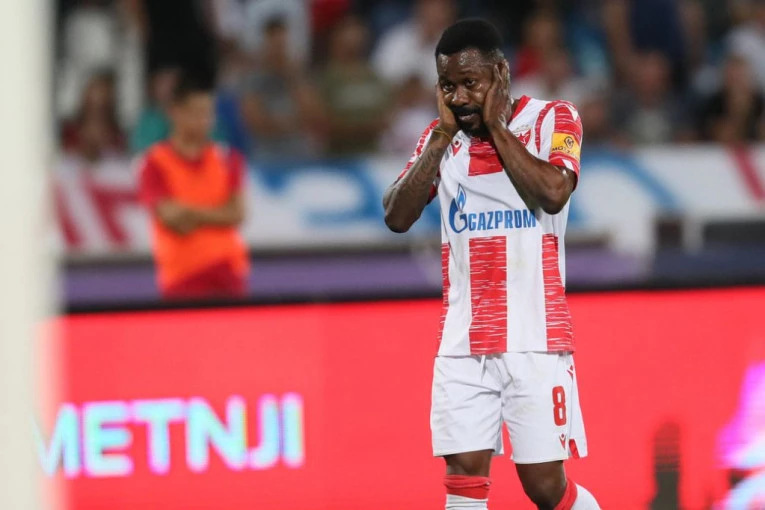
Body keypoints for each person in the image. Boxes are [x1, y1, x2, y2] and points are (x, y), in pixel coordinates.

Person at [382, 19, 601, 510]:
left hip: (535, 336)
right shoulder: (440, 140)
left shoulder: (554, 118)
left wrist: (498, 126)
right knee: (462, 474)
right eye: (447, 86)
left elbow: (554, 193)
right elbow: (396, 215)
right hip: (463, 338)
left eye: (470, 83)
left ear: (501, 74)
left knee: (544, 486)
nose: (459, 97)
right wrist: (441, 137)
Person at [138, 74, 250, 300]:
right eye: (196, 112)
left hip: (228, 271)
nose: (204, 121)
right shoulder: (155, 162)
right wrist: (218, 214)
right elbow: (170, 217)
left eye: (208, 113)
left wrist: (190, 215)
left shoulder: (227, 158)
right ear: (175, 112)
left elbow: (237, 213)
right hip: (182, 276)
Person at [318, 15, 392, 156]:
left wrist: (359, 127)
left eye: (357, 31)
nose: (353, 38)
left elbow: (387, 117)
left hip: (371, 156)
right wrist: (360, 128)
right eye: (347, 31)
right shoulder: (327, 77)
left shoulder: (373, 76)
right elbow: (321, 121)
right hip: (336, 156)